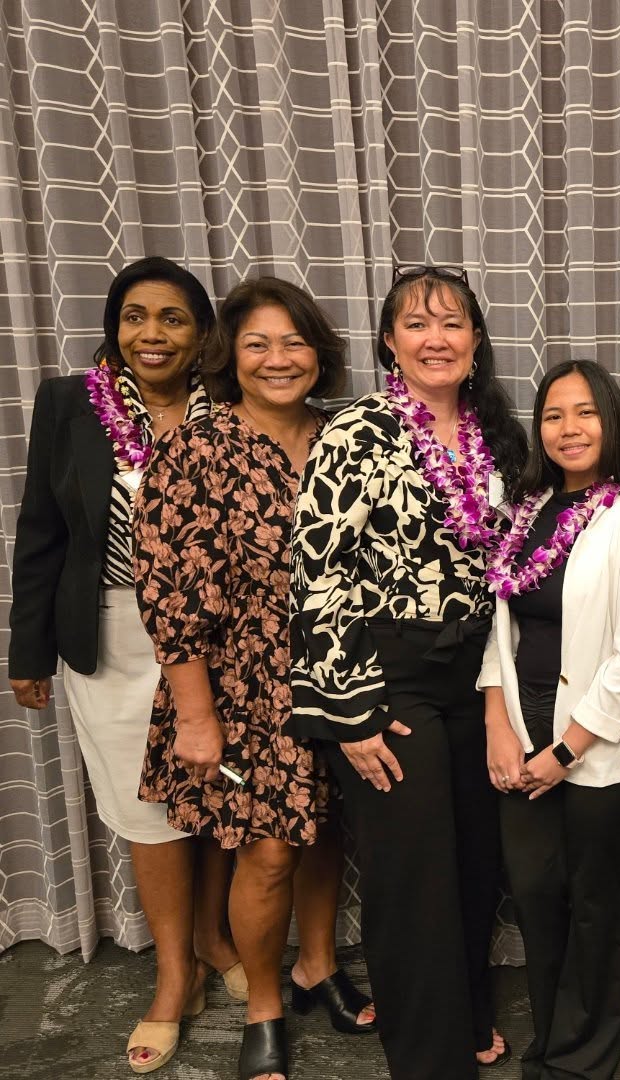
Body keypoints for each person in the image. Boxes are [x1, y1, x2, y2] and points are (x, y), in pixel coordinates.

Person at [5, 256, 250, 1075]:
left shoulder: (231, 409)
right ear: (115, 326)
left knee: (214, 795)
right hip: (109, 633)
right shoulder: (67, 405)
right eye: (136, 316)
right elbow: (42, 531)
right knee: (147, 809)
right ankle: (174, 975)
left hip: (218, 638)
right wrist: (29, 647)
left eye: (173, 318)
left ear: (201, 333)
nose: (153, 334)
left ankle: (216, 938)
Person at [290, 266, 528, 1080]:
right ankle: (429, 1062)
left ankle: (462, 1017)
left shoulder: (495, 432)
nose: (437, 339)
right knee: (411, 873)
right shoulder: (357, 430)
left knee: (470, 860)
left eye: (453, 323)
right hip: (388, 674)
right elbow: (316, 570)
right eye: (417, 325)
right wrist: (348, 711)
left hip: (476, 670)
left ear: (474, 339)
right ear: (389, 342)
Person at [135, 276, 370, 1080]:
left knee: (327, 828)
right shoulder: (193, 451)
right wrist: (197, 718)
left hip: (343, 675)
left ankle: (318, 964)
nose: (279, 359)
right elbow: (167, 595)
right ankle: (265, 1001)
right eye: (257, 343)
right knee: (269, 850)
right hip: (243, 689)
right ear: (227, 356)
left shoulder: (347, 436)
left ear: (320, 354)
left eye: (294, 342)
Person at [480, 359, 620, 1080]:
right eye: (554, 414)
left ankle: (585, 1053)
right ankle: (551, 1031)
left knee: (591, 901)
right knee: (533, 893)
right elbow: (495, 631)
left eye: (584, 412)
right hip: (518, 738)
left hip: (595, 754)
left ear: (609, 422)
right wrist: (499, 724)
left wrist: (566, 750)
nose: (568, 428)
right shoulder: (523, 514)